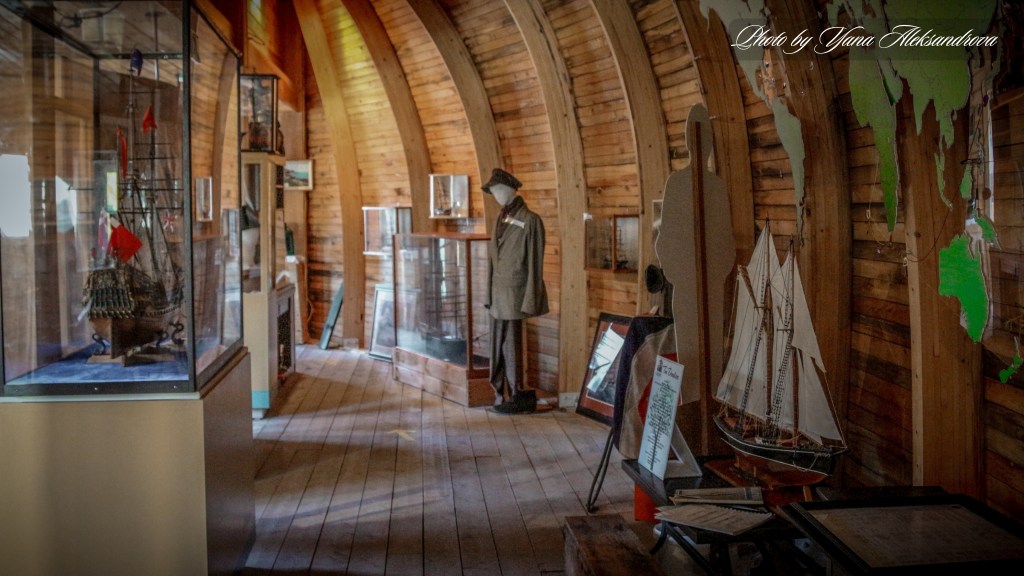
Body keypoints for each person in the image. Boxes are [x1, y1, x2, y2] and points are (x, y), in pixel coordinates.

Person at [483, 168, 548, 414]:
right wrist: (487, 294)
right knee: (496, 347)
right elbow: (492, 261)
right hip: (498, 297)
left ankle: (515, 392)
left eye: (499, 190)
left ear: (511, 190)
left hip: (516, 297)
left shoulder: (531, 221)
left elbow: (535, 264)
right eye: (493, 191)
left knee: (512, 347)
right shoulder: (500, 219)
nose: (496, 195)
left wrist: (530, 300)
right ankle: (500, 392)